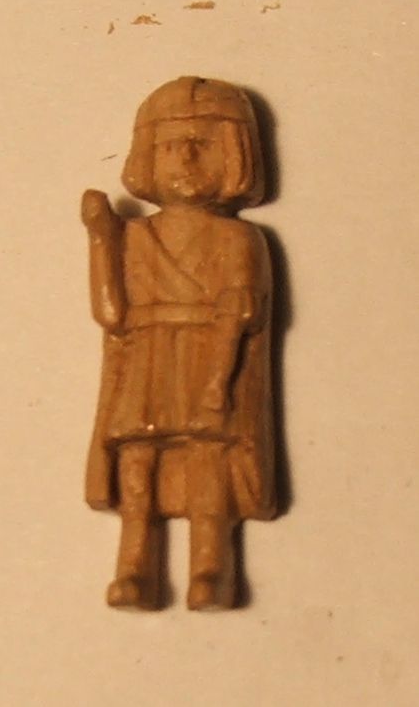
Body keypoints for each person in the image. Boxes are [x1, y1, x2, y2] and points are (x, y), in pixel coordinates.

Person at [82, 76, 276, 610]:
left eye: (202, 145)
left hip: (209, 358)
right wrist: (100, 238)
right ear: (148, 155)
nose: (185, 159)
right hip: (147, 361)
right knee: (137, 464)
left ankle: (211, 567)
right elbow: (111, 315)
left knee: (208, 461)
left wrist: (218, 380)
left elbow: (240, 313)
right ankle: (133, 567)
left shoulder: (238, 238)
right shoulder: (134, 237)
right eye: (170, 146)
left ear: (235, 155)